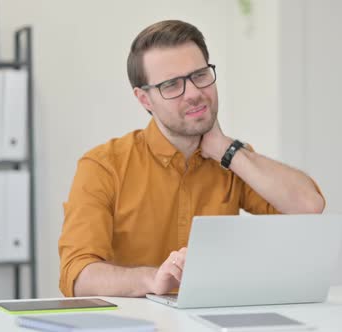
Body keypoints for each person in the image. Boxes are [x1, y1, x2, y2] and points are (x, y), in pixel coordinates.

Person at [58, 20, 325, 298]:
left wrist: (226, 148)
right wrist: (153, 280)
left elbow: (309, 206)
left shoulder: (232, 158)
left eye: (199, 75)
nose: (195, 93)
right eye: (172, 85)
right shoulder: (103, 166)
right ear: (144, 99)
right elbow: (78, 275)